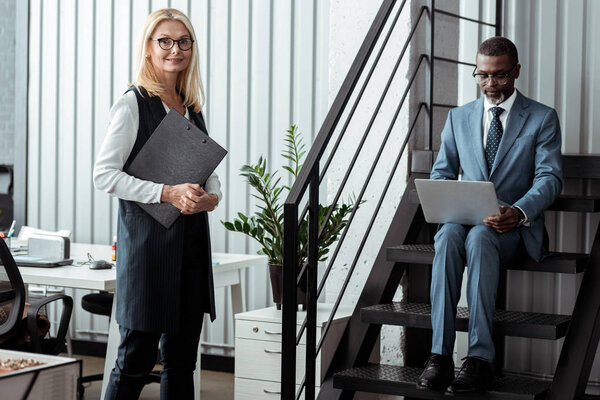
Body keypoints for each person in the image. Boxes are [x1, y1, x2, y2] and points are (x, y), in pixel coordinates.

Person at [416, 37, 562, 393]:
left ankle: (480, 359)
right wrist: (448, 198)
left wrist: (519, 211)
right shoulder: (458, 117)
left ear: (516, 71)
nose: (490, 84)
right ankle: (439, 356)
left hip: (512, 229)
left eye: (499, 76)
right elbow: (442, 172)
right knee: (448, 235)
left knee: (481, 237)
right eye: (482, 76)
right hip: (464, 221)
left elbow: (550, 177)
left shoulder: (542, 118)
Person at [93, 8, 221, 399]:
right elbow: (104, 175)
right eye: (164, 40)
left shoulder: (191, 104)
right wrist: (166, 192)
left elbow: (206, 171)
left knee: (182, 364)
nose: (174, 49)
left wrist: (211, 199)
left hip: (191, 250)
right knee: (134, 362)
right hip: (148, 253)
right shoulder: (134, 103)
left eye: (183, 41)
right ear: (148, 49)